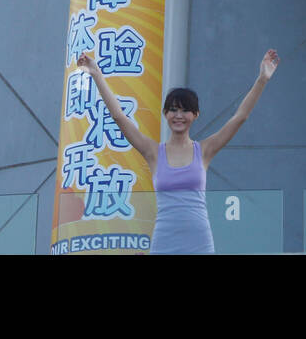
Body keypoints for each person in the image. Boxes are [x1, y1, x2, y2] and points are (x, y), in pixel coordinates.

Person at [77, 48, 279, 254]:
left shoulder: (205, 150)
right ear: (165, 114)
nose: (179, 115)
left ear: (196, 114)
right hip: (164, 242)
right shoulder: (153, 152)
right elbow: (119, 116)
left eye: (185, 110)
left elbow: (240, 117)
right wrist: (96, 73)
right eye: (173, 109)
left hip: (199, 242)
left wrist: (262, 79)